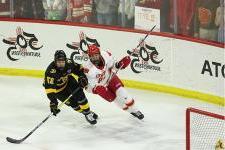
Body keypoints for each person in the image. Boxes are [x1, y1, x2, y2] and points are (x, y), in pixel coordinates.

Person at [83, 44, 144, 120]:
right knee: (115, 100)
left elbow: (114, 66)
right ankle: (131, 111)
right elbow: (89, 86)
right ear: (89, 56)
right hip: (101, 86)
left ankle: (135, 110)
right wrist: (96, 90)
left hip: (111, 78)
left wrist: (119, 64)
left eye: (95, 55)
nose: (94, 58)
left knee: (123, 94)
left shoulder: (106, 55)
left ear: (99, 54)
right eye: (91, 56)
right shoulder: (88, 69)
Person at [43, 50, 98, 125]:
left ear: (65, 60)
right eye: (59, 62)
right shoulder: (50, 72)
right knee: (74, 104)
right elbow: (50, 90)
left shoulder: (69, 63)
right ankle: (85, 112)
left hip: (69, 82)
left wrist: (82, 77)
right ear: (55, 61)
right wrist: (53, 103)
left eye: (62, 62)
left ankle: (87, 113)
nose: (61, 64)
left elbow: (79, 69)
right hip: (58, 91)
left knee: (80, 96)